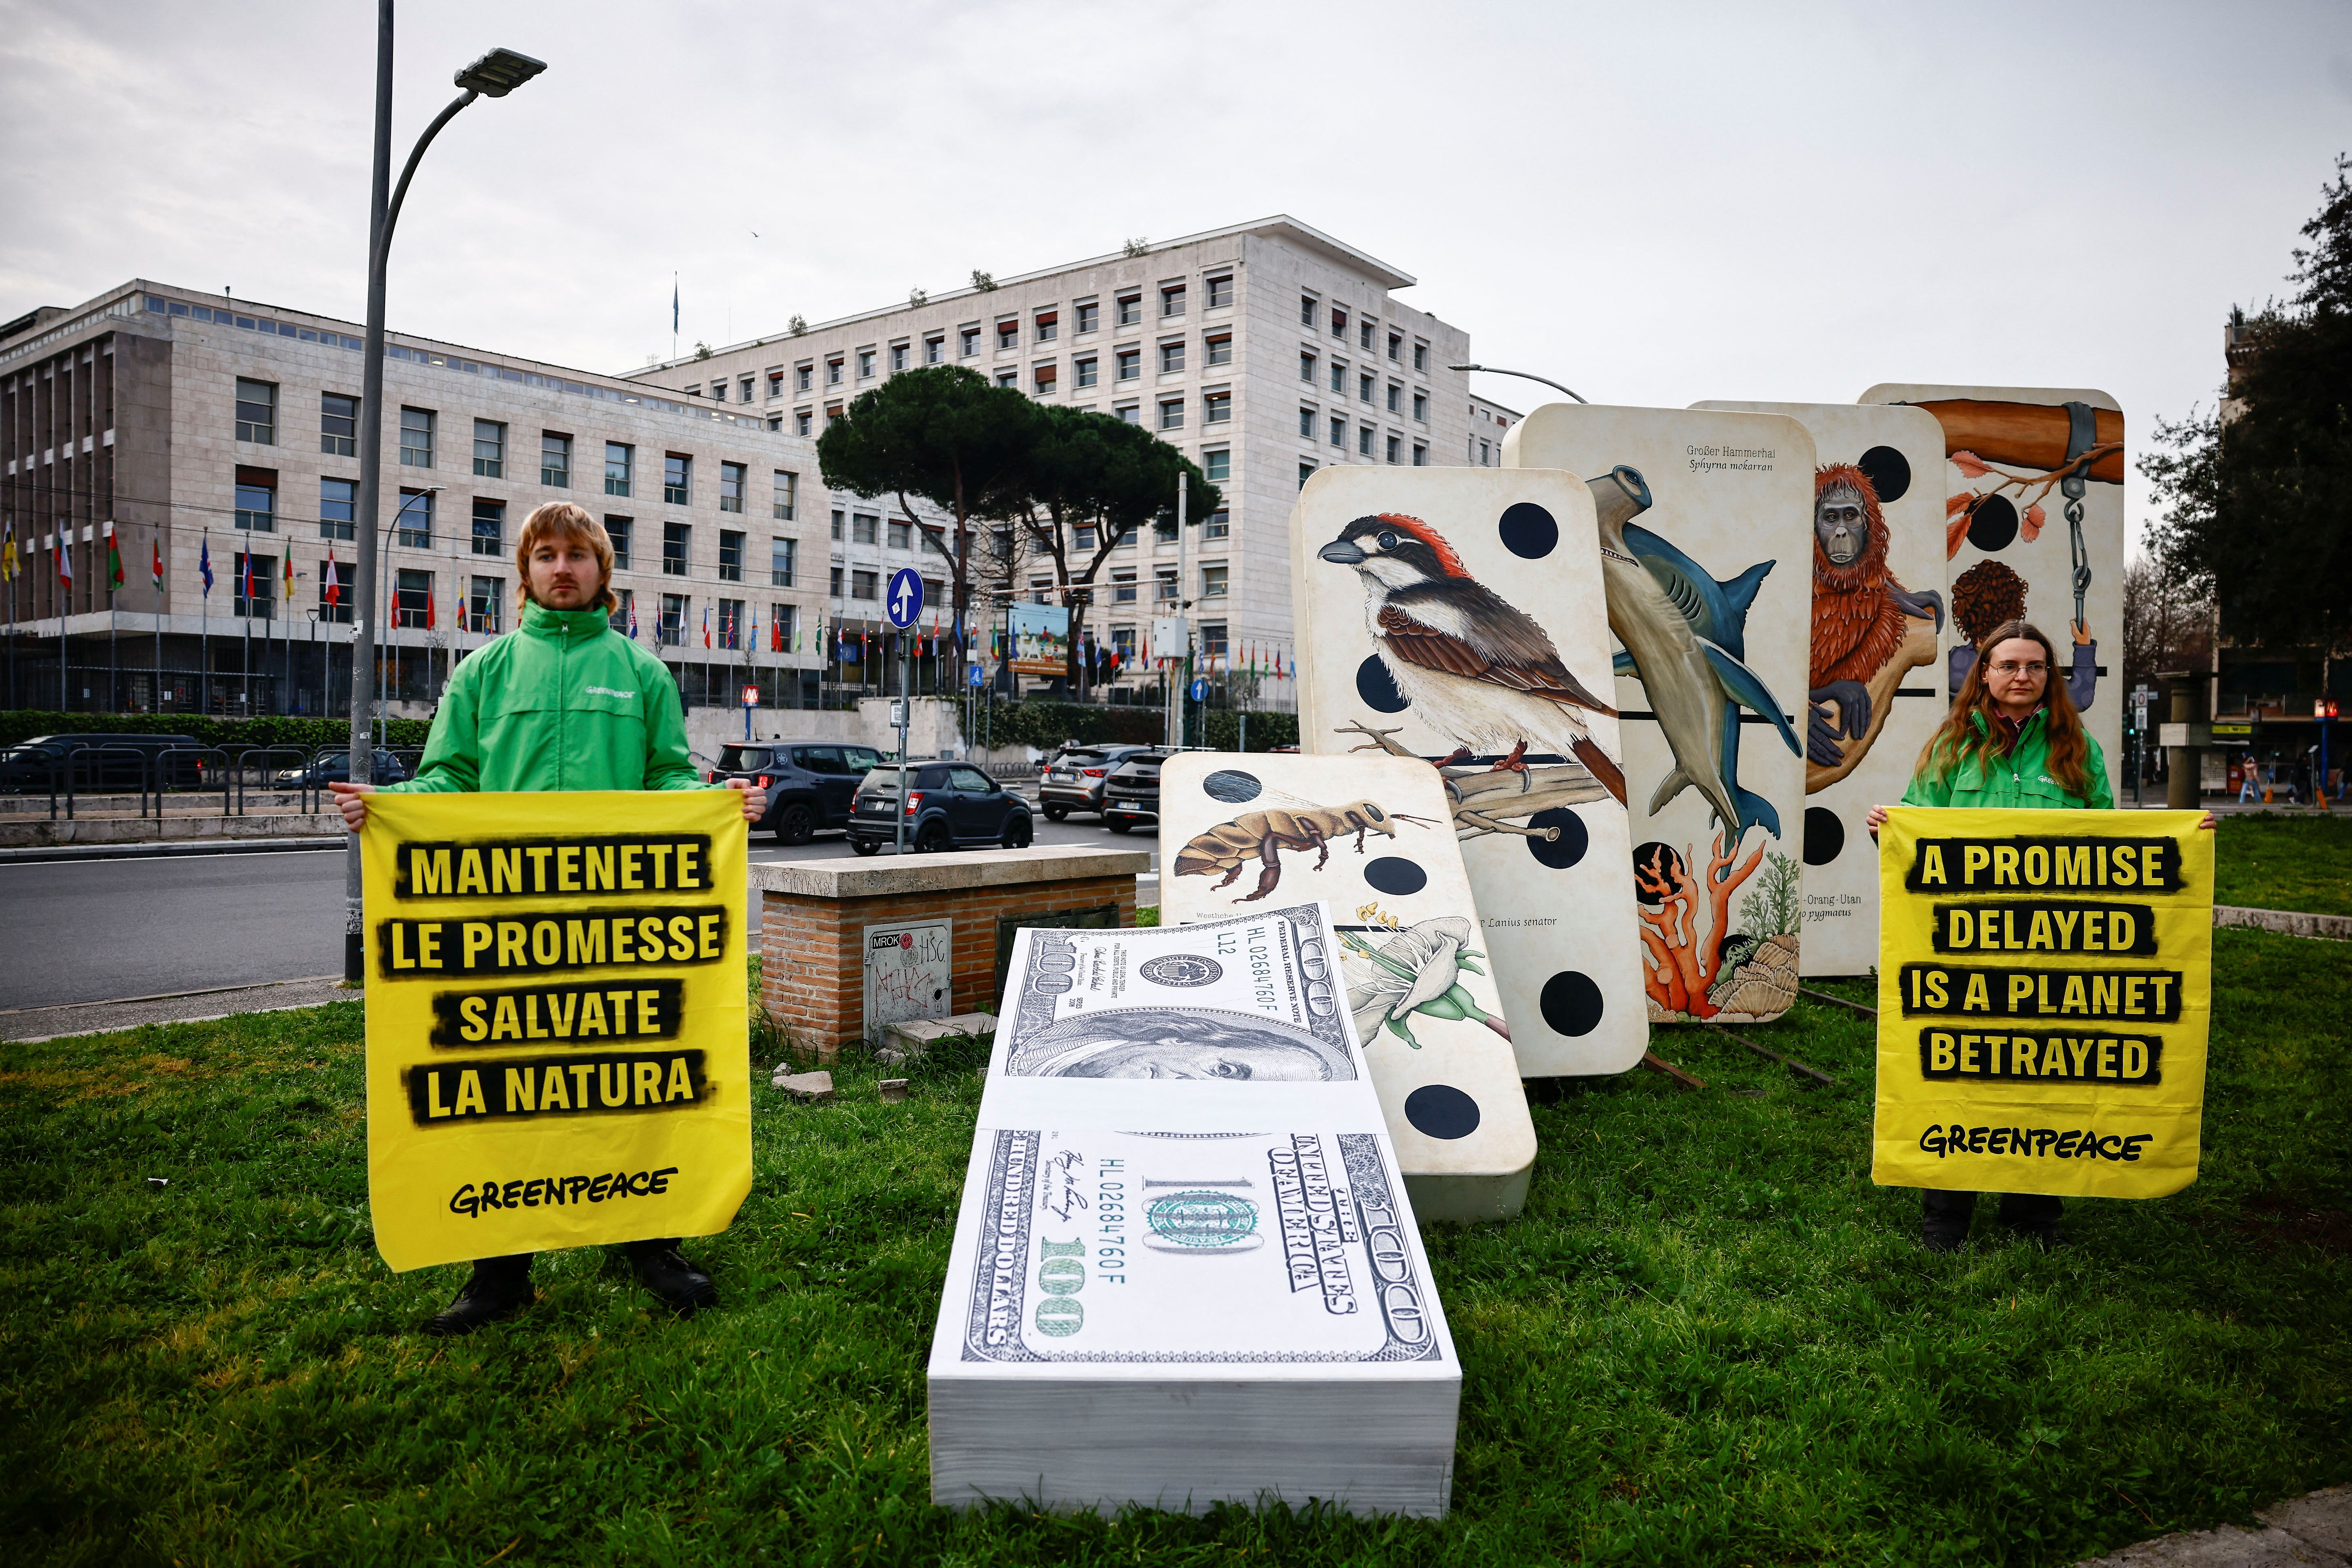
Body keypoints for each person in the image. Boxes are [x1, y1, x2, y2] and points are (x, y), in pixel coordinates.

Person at [331, 501, 764, 1335]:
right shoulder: (483, 674)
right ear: (524, 572)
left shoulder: (642, 675)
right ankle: (499, 1274)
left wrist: (714, 805)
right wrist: (388, 809)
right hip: (510, 932)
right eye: (547, 556)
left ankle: (650, 1242)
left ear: (604, 571)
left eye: (578, 556)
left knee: (633, 1084)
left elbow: (668, 778)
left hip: (623, 929)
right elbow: (448, 781)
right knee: (507, 1094)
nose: (562, 569)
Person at [1867, 620, 2214, 1253]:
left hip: (2059, 955)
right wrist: (1888, 829)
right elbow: (1919, 830)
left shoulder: (2078, 750)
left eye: (2034, 666)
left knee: (2046, 1073)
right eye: (2008, 666)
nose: (2021, 676)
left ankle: (2034, 1215)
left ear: (2050, 678)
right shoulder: (1951, 747)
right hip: (1966, 954)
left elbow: (2112, 844)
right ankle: (1946, 1218)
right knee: (1959, 1073)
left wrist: (2180, 841)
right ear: (1986, 675)